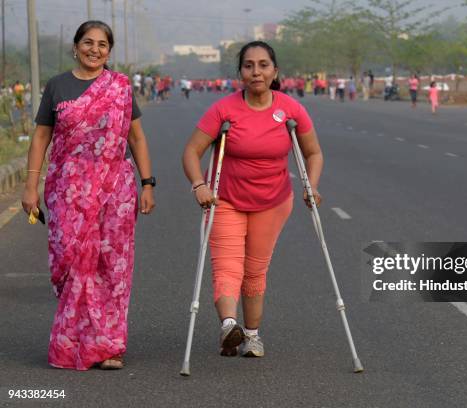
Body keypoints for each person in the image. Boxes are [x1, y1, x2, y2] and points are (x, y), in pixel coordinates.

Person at [21, 20, 155, 371]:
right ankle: (74, 340)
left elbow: (136, 138)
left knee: (112, 266)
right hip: (66, 190)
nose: (94, 49)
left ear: (109, 51)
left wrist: (148, 182)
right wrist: (30, 186)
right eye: (88, 42)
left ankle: (108, 345)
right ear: (76, 46)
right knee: (70, 259)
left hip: (116, 189)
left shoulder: (120, 87)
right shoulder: (58, 86)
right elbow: (40, 138)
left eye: (102, 45)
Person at [182, 41, 323, 358]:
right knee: (228, 267)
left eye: (262, 65)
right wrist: (198, 184)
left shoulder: (290, 109)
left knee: (256, 272)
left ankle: (252, 335)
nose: (256, 71)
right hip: (225, 199)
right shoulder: (224, 110)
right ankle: (229, 325)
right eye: (248, 65)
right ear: (240, 72)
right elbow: (192, 151)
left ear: (275, 71)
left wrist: (310, 186)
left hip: (273, 202)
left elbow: (313, 153)